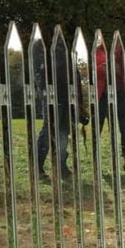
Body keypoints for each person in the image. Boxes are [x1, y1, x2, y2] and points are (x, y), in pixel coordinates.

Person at [31, 37, 88, 181]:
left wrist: (79, 102)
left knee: (63, 131)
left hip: (67, 96)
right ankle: (37, 168)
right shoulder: (40, 45)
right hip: (51, 96)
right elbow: (39, 74)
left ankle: (61, 165)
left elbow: (74, 74)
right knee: (49, 129)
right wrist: (47, 94)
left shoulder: (64, 44)